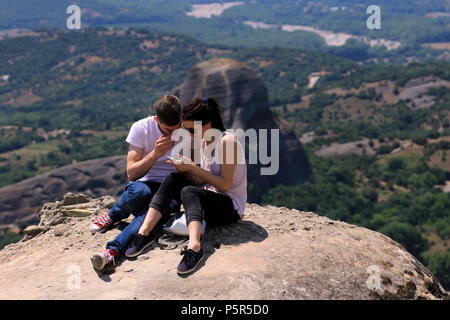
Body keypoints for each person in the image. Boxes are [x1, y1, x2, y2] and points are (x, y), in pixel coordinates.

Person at [125, 97, 247, 275]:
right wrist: (185, 169)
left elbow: (225, 185)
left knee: (189, 191)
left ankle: (195, 247)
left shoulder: (227, 142)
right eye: (186, 129)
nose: (188, 134)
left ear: (208, 124)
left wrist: (192, 167)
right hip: (210, 197)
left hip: (231, 207)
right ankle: (144, 233)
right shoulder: (204, 141)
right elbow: (202, 181)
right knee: (174, 178)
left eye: (191, 129)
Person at [90, 95, 182, 270]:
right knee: (139, 193)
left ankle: (112, 252)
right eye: (167, 129)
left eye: (175, 129)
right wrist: (155, 154)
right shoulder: (141, 128)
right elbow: (132, 173)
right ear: (156, 119)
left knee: (148, 215)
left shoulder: (188, 130)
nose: (172, 134)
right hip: (145, 182)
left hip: (172, 187)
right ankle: (114, 215)